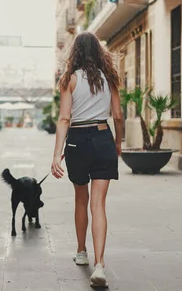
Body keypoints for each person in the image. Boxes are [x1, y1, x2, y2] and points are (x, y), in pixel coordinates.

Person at [51, 32, 123, 287]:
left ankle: (81, 252)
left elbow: (64, 119)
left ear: (75, 53)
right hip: (103, 138)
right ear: (98, 51)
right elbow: (117, 115)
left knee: (80, 199)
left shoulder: (69, 79)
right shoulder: (110, 78)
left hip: (77, 141)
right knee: (98, 205)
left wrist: (57, 153)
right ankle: (100, 264)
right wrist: (117, 142)